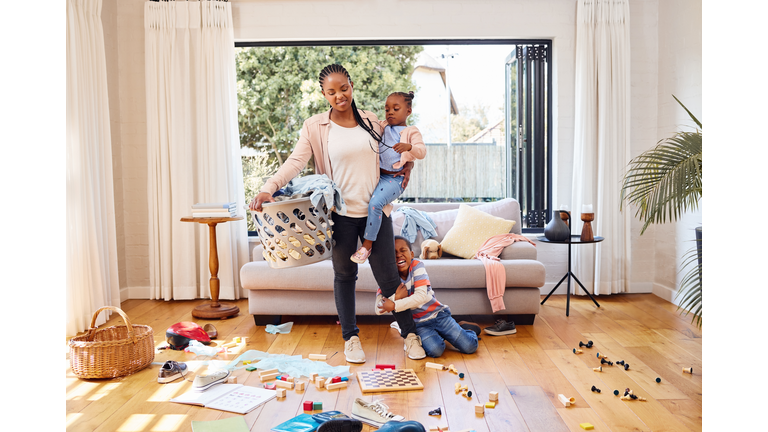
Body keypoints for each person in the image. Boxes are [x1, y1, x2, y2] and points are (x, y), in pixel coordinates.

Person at [249, 64, 427, 362]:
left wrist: (408, 164)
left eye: (343, 88)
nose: (339, 96)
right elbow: (295, 162)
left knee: (389, 278)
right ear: (323, 94)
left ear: (352, 85)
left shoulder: (372, 121)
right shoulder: (315, 126)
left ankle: (410, 335)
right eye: (331, 92)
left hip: (376, 212)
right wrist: (269, 187)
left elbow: (396, 149)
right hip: (340, 214)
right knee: (345, 275)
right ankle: (351, 339)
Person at [350, 91, 426, 264]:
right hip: (378, 176)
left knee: (375, 204)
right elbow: (364, 120)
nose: (390, 112)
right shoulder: (383, 126)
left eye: (396, 108)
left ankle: (366, 246)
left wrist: (409, 147)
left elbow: (421, 152)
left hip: (395, 179)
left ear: (408, 111)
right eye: (387, 109)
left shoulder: (411, 131)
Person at [376, 236, 481, 358]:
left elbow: (421, 297)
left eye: (403, 250)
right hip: (419, 324)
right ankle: (445, 334)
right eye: (393, 253)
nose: (399, 255)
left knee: (469, 346)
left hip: (438, 315)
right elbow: (378, 309)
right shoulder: (389, 278)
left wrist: (394, 304)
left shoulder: (417, 266)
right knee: (435, 350)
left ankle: (464, 328)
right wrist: (395, 298)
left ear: (411, 254)